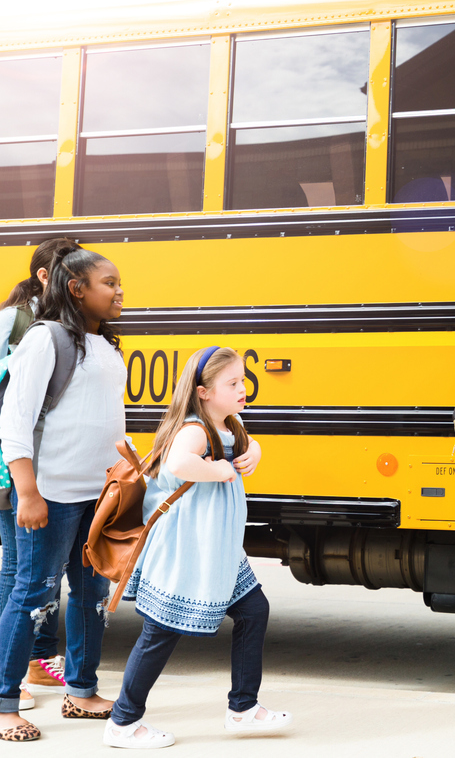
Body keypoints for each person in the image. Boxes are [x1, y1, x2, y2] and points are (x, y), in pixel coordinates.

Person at [103, 347, 285, 749]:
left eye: (243, 380)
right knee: (160, 632)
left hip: (216, 549)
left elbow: (246, 443)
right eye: (232, 383)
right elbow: (177, 465)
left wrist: (253, 451)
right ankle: (122, 723)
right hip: (189, 550)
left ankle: (243, 708)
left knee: (254, 610)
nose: (243, 388)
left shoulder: (226, 422)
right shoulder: (195, 429)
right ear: (203, 392)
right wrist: (217, 470)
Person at [0, 249, 127, 742]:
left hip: (100, 495)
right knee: (33, 593)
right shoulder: (45, 339)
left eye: (120, 284)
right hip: (50, 494)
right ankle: (5, 703)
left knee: (93, 596)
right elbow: (15, 418)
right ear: (76, 288)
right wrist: (27, 491)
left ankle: (81, 691)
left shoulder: (107, 347)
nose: (119, 292)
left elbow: (103, 416)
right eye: (108, 283)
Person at [0, 237, 80, 710]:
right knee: (19, 567)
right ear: (46, 276)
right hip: (11, 460)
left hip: (49, 460)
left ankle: (36, 658)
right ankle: (12, 674)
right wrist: (28, 357)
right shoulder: (15, 320)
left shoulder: (71, 324)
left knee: (45, 569)